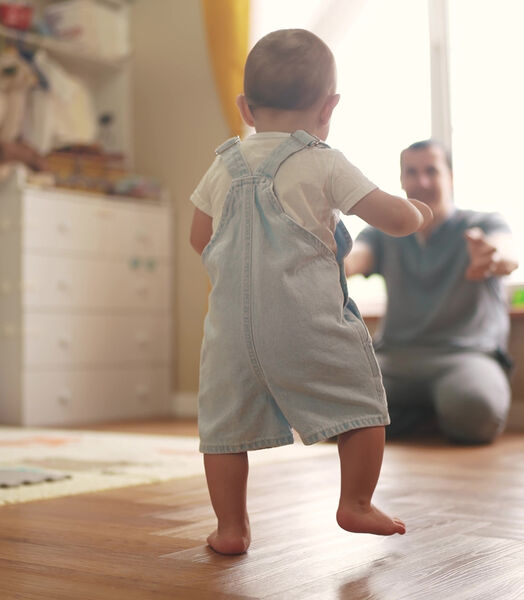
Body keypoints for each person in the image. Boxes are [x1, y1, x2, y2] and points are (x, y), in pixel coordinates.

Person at [188, 29, 432, 555]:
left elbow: (198, 238)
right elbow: (392, 218)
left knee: (224, 431)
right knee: (364, 404)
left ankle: (231, 528)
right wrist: (417, 212)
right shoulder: (323, 161)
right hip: (306, 324)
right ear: (329, 107)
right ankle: (357, 503)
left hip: (229, 334)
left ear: (245, 108)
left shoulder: (222, 165)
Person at [345, 139, 518, 445]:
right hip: (394, 359)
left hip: (465, 356)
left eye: (431, 171)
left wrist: (490, 258)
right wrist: (329, 258)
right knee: (337, 410)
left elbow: (506, 255)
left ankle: (410, 416)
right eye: (411, 172)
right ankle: (426, 415)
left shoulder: (484, 223)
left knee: (476, 413)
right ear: (401, 180)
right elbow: (355, 259)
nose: (421, 181)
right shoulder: (383, 234)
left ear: (449, 177)